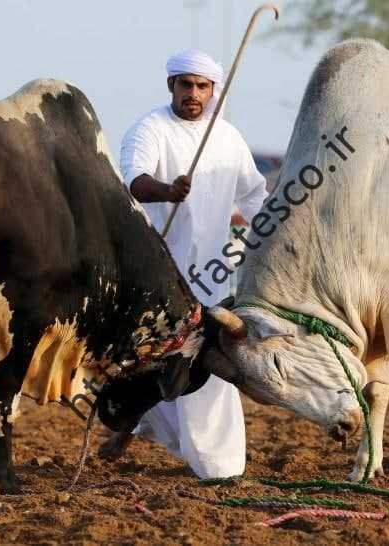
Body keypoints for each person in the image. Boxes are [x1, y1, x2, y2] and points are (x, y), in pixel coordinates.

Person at [98, 49, 267, 479]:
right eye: (186, 84)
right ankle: (180, 445)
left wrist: (272, 232)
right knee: (158, 361)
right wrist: (167, 191)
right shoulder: (149, 129)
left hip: (214, 274)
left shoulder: (227, 137)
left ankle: (213, 461)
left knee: (205, 362)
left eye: (202, 86)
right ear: (171, 85)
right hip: (159, 274)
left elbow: (253, 196)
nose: (194, 93)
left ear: (213, 91)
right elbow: (135, 182)